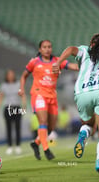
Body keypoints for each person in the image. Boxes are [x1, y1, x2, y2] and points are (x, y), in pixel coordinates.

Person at [18, 40, 78, 160]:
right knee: (43, 121)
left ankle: (36, 143)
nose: (47, 49)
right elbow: (24, 75)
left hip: (52, 97)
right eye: (44, 47)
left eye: (49, 47)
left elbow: (74, 67)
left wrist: (88, 64)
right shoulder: (34, 62)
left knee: (50, 128)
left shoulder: (57, 61)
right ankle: (46, 150)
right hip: (38, 94)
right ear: (40, 49)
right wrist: (21, 89)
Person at [52, 33, 99, 171]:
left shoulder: (84, 51)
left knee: (89, 125)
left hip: (81, 93)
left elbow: (71, 49)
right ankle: (98, 161)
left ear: (91, 43)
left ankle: (83, 134)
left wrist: (58, 62)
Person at [0, 69, 26, 155]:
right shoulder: (4, 85)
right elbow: (1, 97)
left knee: (17, 127)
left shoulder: (18, 84)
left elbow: (23, 95)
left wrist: (24, 106)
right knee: (8, 127)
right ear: (6, 76)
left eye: (12, 74)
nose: (10, 76)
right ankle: (9, 146)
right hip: (7, 108)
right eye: (9, 74)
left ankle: (18, 146)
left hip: (17, 107)